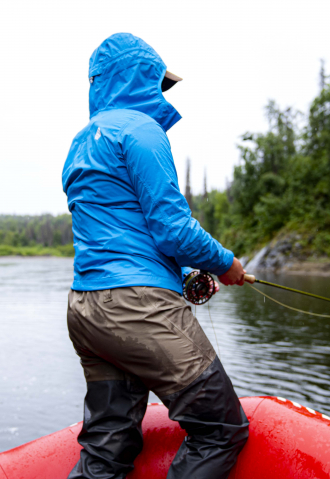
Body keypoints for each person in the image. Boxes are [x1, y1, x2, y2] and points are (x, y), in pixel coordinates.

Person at [61, 32, 250, 479]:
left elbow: (124, 228)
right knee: (221, 429)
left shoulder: (81, 141)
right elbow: (172, 230)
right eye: (156, 82)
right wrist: (227, 264)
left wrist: (180, 272)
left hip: (85, 309)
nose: (159, 93)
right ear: (137, 77)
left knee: (107, 448)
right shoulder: (143, 131)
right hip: (138, 308)